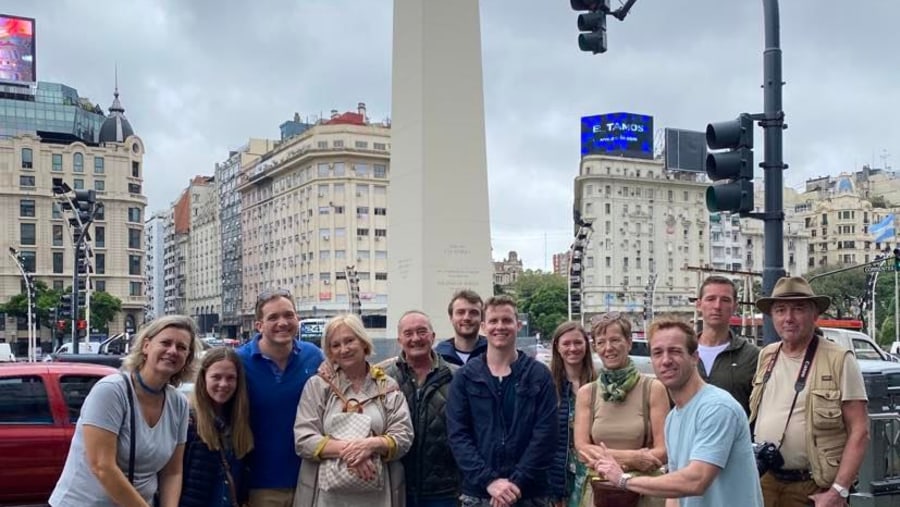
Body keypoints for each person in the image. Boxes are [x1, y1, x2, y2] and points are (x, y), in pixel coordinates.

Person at [594, 317, 763, 507]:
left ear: (694, 357)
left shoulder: (717, 408)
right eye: (657, 353)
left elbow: (696, 480)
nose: (665, 360)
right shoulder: (674, 418)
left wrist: (624, 480)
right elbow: (675, 491)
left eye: (675, 351)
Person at [50, 315, 202, 507]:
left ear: (187, 357)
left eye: (181, 347)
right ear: (146, 346)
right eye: (165, 342)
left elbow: (172, 472)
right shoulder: (111, 391)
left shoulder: (178, 403)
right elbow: (102, 466)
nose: (172, 351)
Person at [749, 277, 869, 507]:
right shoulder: (767, 355)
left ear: (815, 315)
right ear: (772, 316)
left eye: (798, 309)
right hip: (765, 480)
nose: (788, 318)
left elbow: (860, 430)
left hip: (812, 487)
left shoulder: (838, 359)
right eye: (781, 310)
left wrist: (838, 491)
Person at [447, 295, 558, 507]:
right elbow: (458, 435)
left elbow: (546, 435)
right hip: (480, 493)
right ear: (483, 327)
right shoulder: (464, 377)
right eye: (493, 321)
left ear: (518, 325)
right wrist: (489, 481)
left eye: (506, 320)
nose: (500, 326)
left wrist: (516, 482)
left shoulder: (539, 376)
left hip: (530, 492)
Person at [293, 313, 414, 506]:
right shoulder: (317, 386)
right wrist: (354, 453)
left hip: (379, 498)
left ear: (363, 342)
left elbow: (404, 435)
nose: (344, 349)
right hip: (325, 498)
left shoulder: (387, 385)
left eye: (350, 341)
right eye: (336, 345)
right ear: (329, 352)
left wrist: (371, 445)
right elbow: (303, 438)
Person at [236, 289, 324, 507]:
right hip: (260, 485)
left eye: (288, 315)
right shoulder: (238, 362)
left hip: (311, 478)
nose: (282, 323)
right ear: (259, 325)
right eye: (273, 317)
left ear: (298, 319)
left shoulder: (314, 356)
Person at [573, 313, 669, 507]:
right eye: (601, 342)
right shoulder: (587, 394)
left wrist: (611, 461)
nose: (608, 348)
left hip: (644, 494)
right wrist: (635, 457)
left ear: (629, 342)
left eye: (615, 340)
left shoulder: (653, 389)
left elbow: (664, 450)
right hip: (600, 493)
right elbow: (582, 449)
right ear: (595, 348)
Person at [378, 310, 460, 507]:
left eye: (422, 332)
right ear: (399, 340)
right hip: (395, 486)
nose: (416, 338)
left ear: (432, 337)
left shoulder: (457, 377)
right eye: (408, 333)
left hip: (444, 490)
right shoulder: (382, 379)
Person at [179, 347, 254, 507]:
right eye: (216, 377)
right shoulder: (188, 423)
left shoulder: (239, 422)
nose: (223, 384)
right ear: (203, 378)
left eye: (230, 378)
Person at [547, 321, 596, 507]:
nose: (573, 348)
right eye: (566, 344)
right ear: (557, 347)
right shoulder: (548, 387)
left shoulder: (600, 384)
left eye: (578, 343)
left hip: (592, 472)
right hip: (560, 473)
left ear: (586, 345)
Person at [695, 275, 759, 414]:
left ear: (735, 306)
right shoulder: (683, 352)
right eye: (711, 299)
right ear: (699, 305)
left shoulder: (752, 356)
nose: (717, 306)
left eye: (725, 300)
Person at [435, 289, 487, 366]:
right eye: (460, 312)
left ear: (482, 318)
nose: (466, 318)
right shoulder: (437, 356)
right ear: (451, 318)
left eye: (473, 313)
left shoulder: (494, 352)